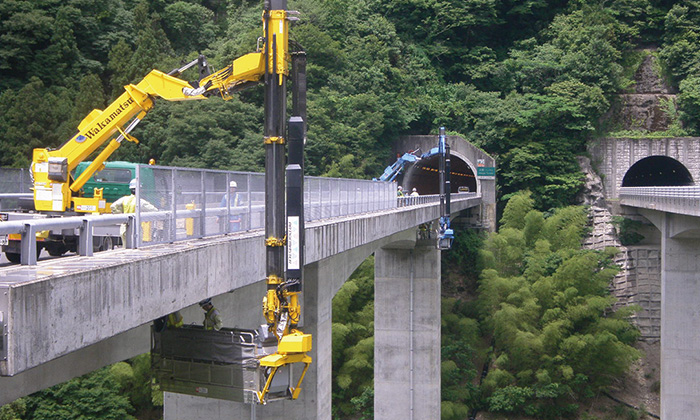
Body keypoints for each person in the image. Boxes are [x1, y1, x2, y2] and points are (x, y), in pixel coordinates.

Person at [110, 179, 158, 245]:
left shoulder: (124, 199)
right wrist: (145, 217)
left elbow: (113, 206)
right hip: (136, 229)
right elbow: (154, 210)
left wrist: (119, 214)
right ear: (139, 190)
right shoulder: (140, 202)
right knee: (136, 247)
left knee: (126, 248)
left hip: (124, 227)